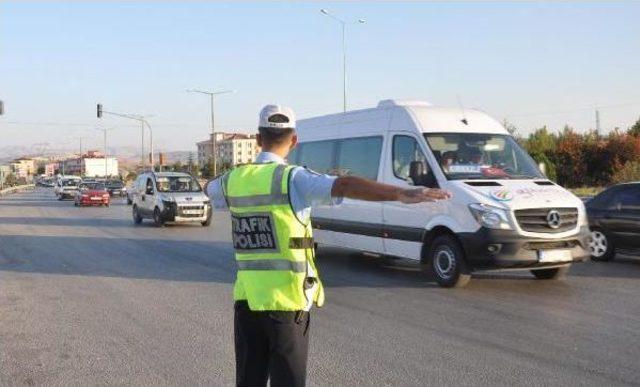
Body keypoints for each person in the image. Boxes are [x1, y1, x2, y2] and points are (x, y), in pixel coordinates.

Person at [207, 104, 451, 387]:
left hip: (247, 301)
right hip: (287, 304)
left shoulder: (233, 180)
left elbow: (209, 189)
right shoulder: (294, 179)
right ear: (294, 140)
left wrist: (234, 176)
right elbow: (345, 185)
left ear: (258, 139)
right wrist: (402, 192)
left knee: (249, 381)